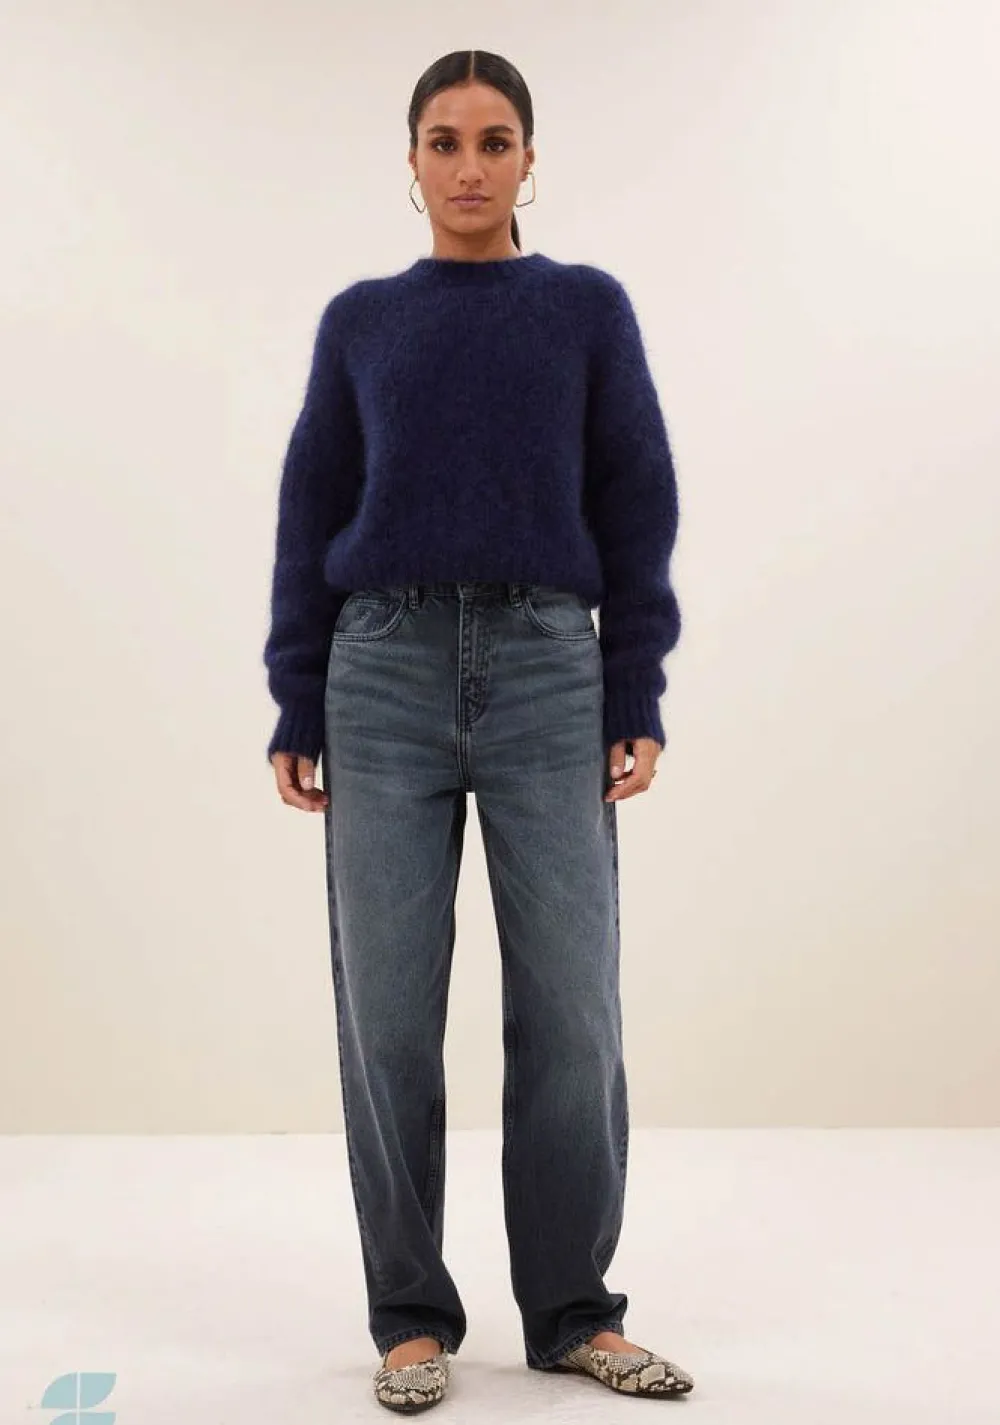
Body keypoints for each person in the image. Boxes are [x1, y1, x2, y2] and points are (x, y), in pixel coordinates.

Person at [262, 48, 695, 1414]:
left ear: (528, 158)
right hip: (379, 674)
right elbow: (310, 504)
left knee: (571, 1008)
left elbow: (636, 495)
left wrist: (635, 683)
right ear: (410, 161)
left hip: (547, 670)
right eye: (443, 141)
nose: (468, 164)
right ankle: (409, 1318)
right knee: (387, 1012)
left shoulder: (584, 309)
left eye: (494, 140)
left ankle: (574, 1312)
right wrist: (295, 691)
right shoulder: (363, 322)